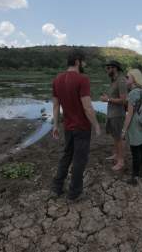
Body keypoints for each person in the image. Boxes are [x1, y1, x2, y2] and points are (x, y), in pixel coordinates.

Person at [50, 51, 101, 201]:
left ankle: (56, 187)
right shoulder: (82, 79)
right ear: (78, 62)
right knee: (79, 160)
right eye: (84, 62)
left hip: (68, 127)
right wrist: (96, 125)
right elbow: (87, 107)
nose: (85, 65)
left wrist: (55, 126)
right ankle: (74, 193)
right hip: (82, 127)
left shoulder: (57, 79)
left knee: (66, 155)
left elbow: (55, 106)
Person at [121, 69, 142, 186]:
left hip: (135, 125)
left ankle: (134, 177)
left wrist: (124, 130)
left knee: (135, 151)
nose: (125, 79)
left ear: (134, 79)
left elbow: (129, 115)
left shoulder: (133, 93)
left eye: (127, 77)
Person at [100, 61, 127, 171]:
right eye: (107, 68)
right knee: (114, 136)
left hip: (117, 115)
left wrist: (108, 99)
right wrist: (108, 97)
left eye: (109, 68)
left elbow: (124, 100)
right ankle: (116, 154)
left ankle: (121, 161)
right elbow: (113, 97)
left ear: (115, 68)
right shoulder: (113, 81)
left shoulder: (121, 80)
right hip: (111, 113)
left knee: (118, 138)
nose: (107, 70)